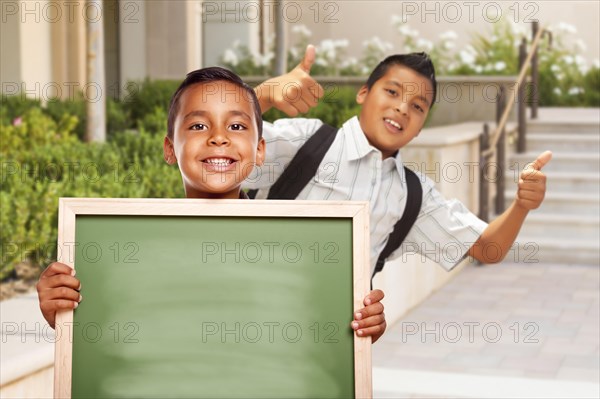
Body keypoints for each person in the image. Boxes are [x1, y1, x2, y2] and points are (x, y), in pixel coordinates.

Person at [36, 67, 387, 342]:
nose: (218, 137)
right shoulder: (128, 249)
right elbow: (110, 336)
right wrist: (63, 314)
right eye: (199, 125)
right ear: (170, 149)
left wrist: (363, 326)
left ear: (260, 150)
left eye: (236, 125)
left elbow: (322, 336)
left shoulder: (302, 248)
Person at [247, 46, 552, 275]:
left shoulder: (412, 195)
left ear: (421, 127)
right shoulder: (306, 142)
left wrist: (521, 205)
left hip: (329, 345)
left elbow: (488, 247)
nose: (402, 108)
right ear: (364, 93)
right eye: (392, 92)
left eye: (418, 107)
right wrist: (261, 97)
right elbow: (210, 155)